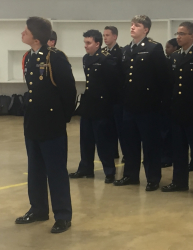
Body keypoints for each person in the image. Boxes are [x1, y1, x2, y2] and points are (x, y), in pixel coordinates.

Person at [15, 17, 76, 234]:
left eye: (26, 30)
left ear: (36, 37)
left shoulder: (54, 57)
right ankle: (38, 209)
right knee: (35, 169)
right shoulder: (29, 57)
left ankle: (63, 215)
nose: (22, 33)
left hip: (51, 124)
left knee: (56, 171)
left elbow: (69, 92)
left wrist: (62, 119)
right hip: (33, 122)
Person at [114, 15, 171, 191]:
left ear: (145, 29)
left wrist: (161, 103)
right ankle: (130, 175)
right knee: (130, 144)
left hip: (148, 106)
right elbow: (122, 78)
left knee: (150, 145)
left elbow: (164, 77)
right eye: (131, 24)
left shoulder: (154, 48)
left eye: (137, 25)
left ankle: (153, 178)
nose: (132, 28)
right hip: (129, 105)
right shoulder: (125, 50)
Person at [162, 22, 193, 199]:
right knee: (178, 150)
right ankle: (179, 181)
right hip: (177, 110)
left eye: (182, 34)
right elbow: (171, 84)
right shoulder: (174, 57)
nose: (178, 36)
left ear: (192, 36)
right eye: (178, 33)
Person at [69, 30, 120, 183]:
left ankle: (109, 171)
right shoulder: (86, 59)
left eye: (88, 43)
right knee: (85, 139)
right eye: (85, 43)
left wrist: (109, 105)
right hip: (89, 103)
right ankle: (85, 168)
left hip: (102, 105)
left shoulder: (106, 59)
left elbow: (113, 84)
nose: (85, 46)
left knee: (103, 141)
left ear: (97, 44)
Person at [103, 25, 125, 160]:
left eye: (108, 35)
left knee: (121, 128)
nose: (105, 38)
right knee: (109, 128)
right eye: (104, 35)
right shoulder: (102, 53)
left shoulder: (121, 52)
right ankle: (112, 152)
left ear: (115, 36)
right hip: (106, 98)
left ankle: (125, 153)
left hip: (118, 97)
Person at [161, 38, 179, 168]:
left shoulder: (176, 61)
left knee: (170, 132)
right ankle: (164, 155)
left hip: (175, 101)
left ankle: (169, 156)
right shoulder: (166, 61)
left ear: (175, 48)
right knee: (164, 131)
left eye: (168, 47)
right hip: (165, 100)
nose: (166, 50)